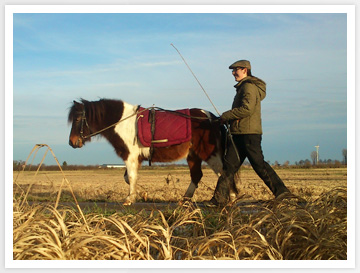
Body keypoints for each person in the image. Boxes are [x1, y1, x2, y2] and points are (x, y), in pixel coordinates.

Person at [209, 59, 290, 206]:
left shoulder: (248, 87)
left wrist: (226, 115)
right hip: (238, 133)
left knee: (259, 165)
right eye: (233, 71)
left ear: (245, 70)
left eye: (236, 70)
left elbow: (247, 109)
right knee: (228, 168)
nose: (233, 73)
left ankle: (283, 193)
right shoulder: (243, 87)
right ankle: (219, 200)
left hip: (249, 134)